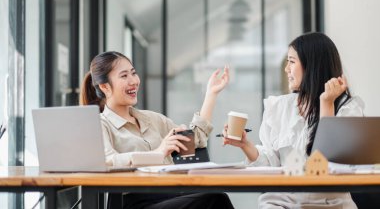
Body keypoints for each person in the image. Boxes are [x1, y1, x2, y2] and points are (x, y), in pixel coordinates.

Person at [222, 32, 364, 209]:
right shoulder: (279, 107)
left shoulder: (348, 108)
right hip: (282, 202)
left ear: (312, 65)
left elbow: (325, 166)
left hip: (330, 204)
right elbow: (271, 166)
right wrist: (245, 145)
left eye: (291, 62)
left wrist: (326, 103)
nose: (286, 69)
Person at [80, 51, 234, 209]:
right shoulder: (99, 124)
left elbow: (196, 141)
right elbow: (105, 162)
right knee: (214, 200)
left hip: (171, 194)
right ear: (105, 86)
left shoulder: (153, 119)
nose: (133, 81)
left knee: (215, 197)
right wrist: (159, 153)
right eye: (124, 76)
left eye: (133, 73)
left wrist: (211, 94)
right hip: (131, 202)